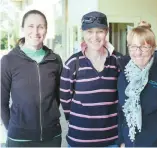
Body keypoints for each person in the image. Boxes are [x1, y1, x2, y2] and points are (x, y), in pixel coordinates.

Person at [1, 9, 63, 147]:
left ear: (46, 30)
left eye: (40, 27)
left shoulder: (55, 60)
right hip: (19, 139)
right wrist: (11, 128)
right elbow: (2, 101)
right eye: (30, 26)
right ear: (22, 29)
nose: (35, 32)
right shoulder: (9, 60)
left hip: (51, 137)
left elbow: (57, 97)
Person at [60, 11, 122, 147]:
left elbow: (122, 98)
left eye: (99, 31)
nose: (94, 36)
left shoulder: (118, 61)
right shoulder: (72, 63)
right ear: (83, 32)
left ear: (106, 32)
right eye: (89, 31)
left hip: (111, 140)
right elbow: (65, 100)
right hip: (79, 140)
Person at [117, 21, 157, 147]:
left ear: (153, 48)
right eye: (133, 47)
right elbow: (121, 112)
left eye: (144, 47)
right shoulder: (124, 76)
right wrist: (121, 141)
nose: (138, 52)